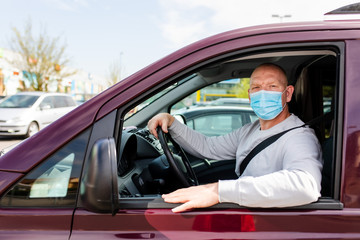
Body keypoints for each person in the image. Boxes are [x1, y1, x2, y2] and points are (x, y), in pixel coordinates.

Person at [147, 63, 323, 213]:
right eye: (256, 88)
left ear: (288, 93)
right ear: (249, 95)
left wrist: (218, 191)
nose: (263, 93)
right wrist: (171, 122)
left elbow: (305, 185)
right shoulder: (251, 129)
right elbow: (208, 147)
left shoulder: (299, 136)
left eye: (272, 86)